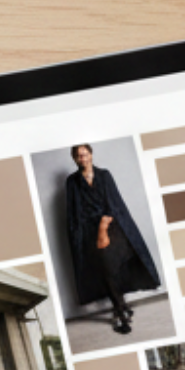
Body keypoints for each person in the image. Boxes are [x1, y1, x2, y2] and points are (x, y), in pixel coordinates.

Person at [63, 144, 161, 336]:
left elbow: (113, 202)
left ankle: (120, 307)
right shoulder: (71, 182)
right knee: (105, 268)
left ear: (91, 154)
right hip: (88, 231)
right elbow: (74, 212)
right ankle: (122, 310)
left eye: (85, 154)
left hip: (112, 225)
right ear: (74, 159)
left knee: (114, 266)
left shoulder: (104, 175)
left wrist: (103, 226)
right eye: (78, 156)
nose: (82, 159)